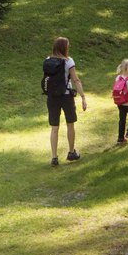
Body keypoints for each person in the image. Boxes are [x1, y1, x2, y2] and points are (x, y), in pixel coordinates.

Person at [42, 37, 87, 167]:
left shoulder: (48, 60)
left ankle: (54, 157)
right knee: (70, 124)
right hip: (66, 96)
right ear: (64, 48)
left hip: (51, 97)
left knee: (54, 128)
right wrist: (83, 96)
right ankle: (71, 152)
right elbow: (75, 80)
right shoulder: (69, 61)